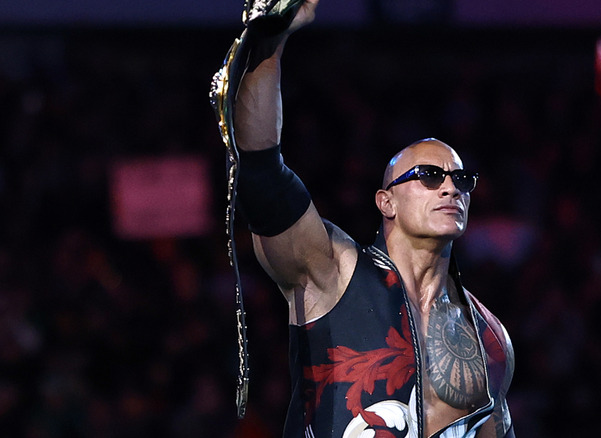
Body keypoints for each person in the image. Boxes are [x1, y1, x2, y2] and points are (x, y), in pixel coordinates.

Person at [214, 0, 515, 436]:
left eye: (460, 178)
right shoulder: (335, 274)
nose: (450, 188)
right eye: (429, 176)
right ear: (386, 202)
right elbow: (263, 176)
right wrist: (270, 42)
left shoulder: (489, 335)